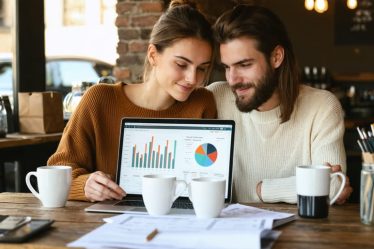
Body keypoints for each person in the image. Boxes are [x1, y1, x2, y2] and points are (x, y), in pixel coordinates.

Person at [47, 0, 217, 202]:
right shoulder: (99, 99)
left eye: (202, 68)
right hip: (107, 223)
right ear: (153, 55)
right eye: (181, 64)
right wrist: (85, 184)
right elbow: (58, 170)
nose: (192, 79)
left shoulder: (203, 103)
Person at [207, 5, 352, 204]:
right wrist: (305, 185)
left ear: (276, 57)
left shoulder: (322, 106)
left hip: (304, 233)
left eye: (244, 65)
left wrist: (263, 190)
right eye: (227, 67)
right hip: (232, 232)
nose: (233, 79)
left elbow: (333, 185)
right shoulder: (215, 97)